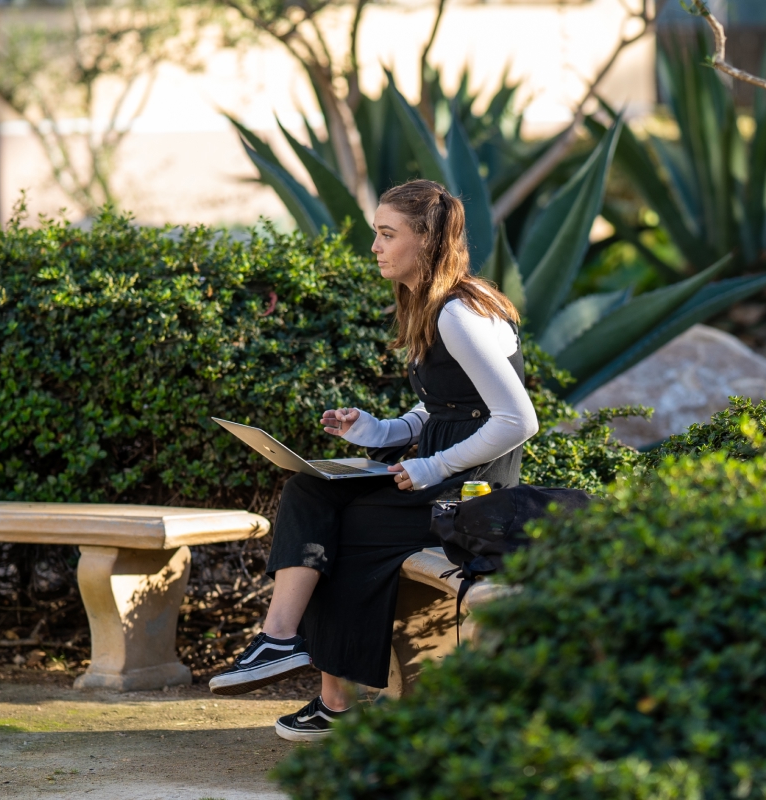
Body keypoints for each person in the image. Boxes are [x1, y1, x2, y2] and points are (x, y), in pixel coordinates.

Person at [208, 179, 539, 741]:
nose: (375, 247)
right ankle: (279, 641)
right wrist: (376, 429)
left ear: (427, 241)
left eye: (388, 234)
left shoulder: (459, 313)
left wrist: (433, 467)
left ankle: (332, 700)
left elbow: (517, 420)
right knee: (312, 489)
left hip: (474, 492)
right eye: (376, 234)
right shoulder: (434, 305)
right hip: (446, 474)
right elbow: (445, 403)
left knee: (347, 525)